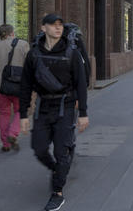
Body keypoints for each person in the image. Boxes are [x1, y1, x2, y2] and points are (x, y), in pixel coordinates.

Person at [19, 14, 89, 211]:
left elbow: (81, 84)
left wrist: (83, 111)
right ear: (44, 28)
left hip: (65, 106)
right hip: (42, 106)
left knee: (61, 151)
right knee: (39, 149)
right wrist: (23, 114)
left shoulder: (71, 52)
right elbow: (25, 85)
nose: (58, 28)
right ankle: (56, 170)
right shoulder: (33, 53)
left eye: (60, 25)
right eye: (53, 25)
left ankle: (57, 192)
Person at [0, 23, 29, 152]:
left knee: (4, 113)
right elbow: (30, 64)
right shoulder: (22, 44)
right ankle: (13, 134)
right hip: (18, 85)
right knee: (20, 110)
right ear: (12, 33)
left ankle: (5, 144)